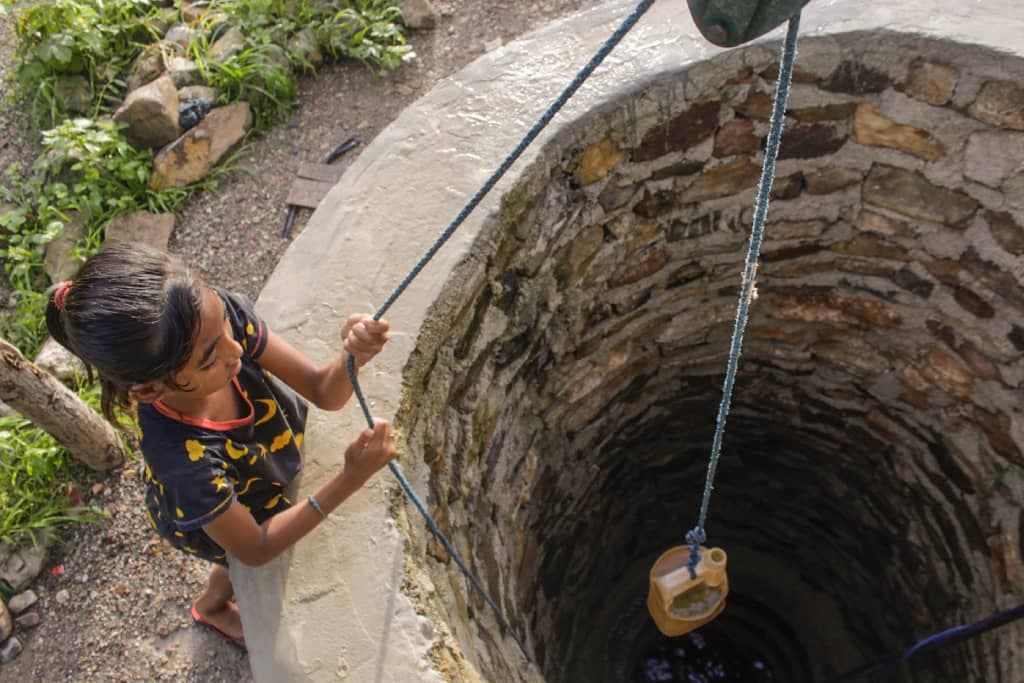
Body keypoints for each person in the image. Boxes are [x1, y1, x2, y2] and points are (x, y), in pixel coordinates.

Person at [45, 241, 396, 651]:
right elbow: (256, 547)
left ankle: (214, 602)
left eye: (226, 329)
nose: (236, 352)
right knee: (230, 560)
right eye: (209, 361)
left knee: (239, 545)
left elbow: (323, 390)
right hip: (212, 511)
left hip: (255, 473)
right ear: (150, 389)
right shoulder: (185, 465)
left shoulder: (215, 324)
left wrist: (353, 355)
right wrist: (349, 479)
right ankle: (212, 608)